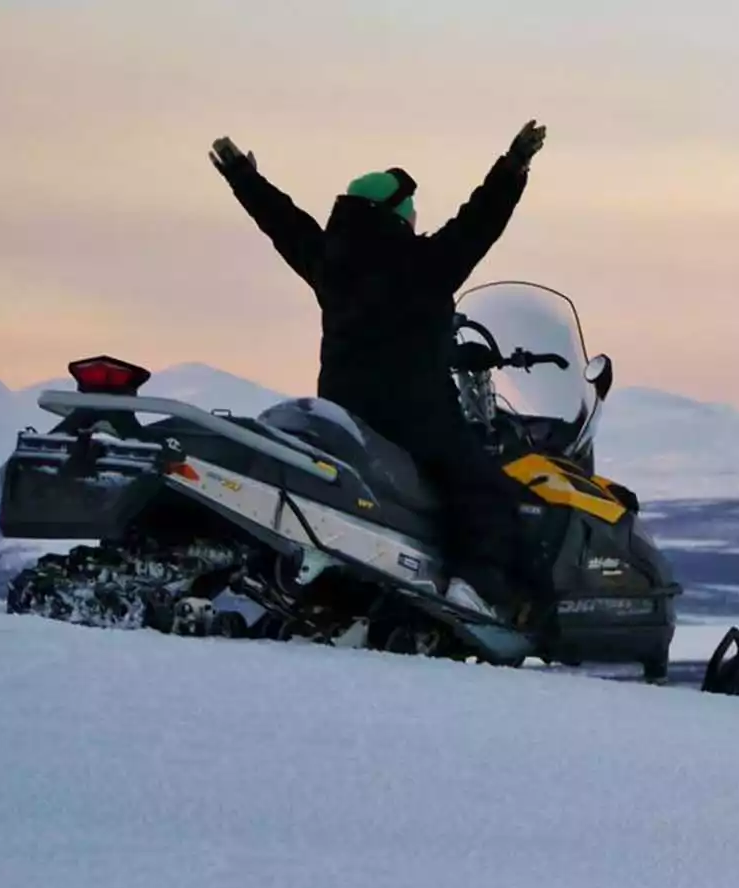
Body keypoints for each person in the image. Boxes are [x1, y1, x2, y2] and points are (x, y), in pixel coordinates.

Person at [206, 121, 548, 622]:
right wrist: (514, 166)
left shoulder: (330, 256)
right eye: (410, 214)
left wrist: (242, 176)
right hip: (417, 415)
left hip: (344, 414)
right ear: (398, 216)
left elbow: (281, 221)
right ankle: (475, 589)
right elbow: (482, 220)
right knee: (483, 489)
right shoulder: (428, 262)